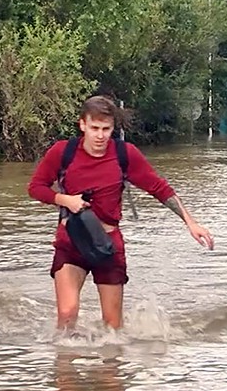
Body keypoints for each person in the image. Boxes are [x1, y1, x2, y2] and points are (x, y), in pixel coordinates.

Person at [27, 95, 214, 331]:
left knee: (112, 327)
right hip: (71, 241)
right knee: (67, 313)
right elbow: (36, 188)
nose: (100, 135)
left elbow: (159, 188)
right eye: (94, 128)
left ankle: (110, 367)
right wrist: (65, 200)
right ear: (82, 124)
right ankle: (65, 364)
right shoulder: (63, 152)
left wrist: (191, 223)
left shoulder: (125, 155)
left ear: (113, 128)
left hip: (108, 245)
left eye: (106, 129)